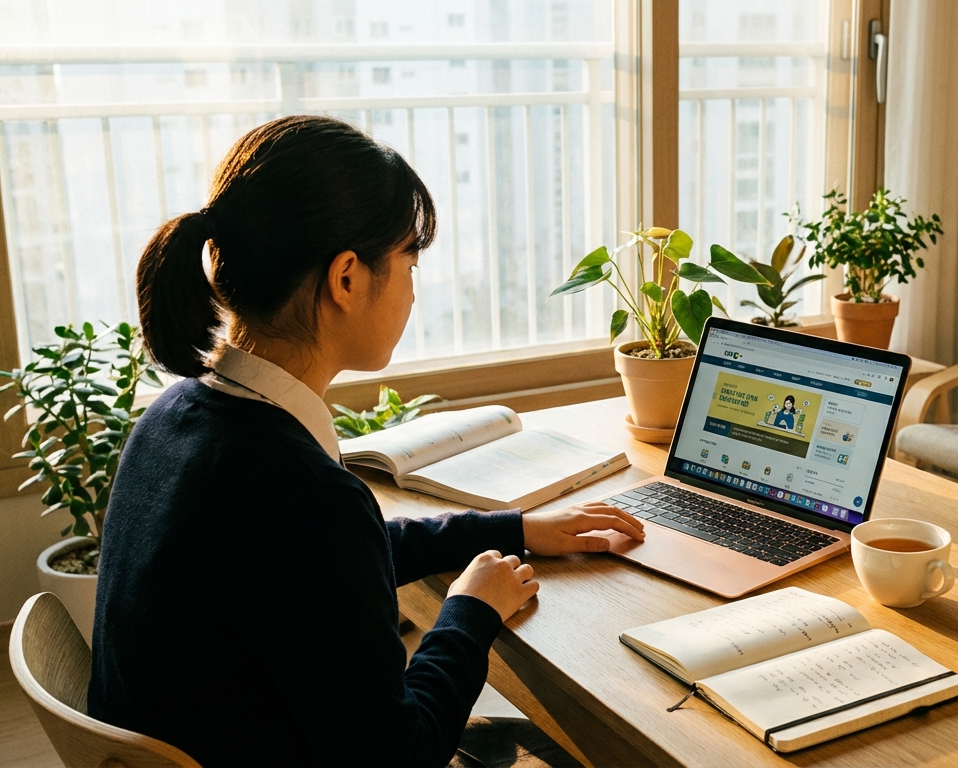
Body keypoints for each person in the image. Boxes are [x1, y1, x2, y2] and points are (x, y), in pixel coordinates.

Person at [88, 115, 644, 767]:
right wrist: (467, 611)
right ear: (347, 277)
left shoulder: (179, 415)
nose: (414, 285)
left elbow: (323, 563)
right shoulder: (300, 492)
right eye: (410, 257)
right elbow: (398, 754)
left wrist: (513, 529)